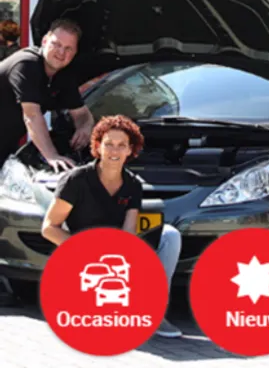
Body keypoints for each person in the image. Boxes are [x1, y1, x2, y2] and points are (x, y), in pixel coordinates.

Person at [41, 114, 183, 339]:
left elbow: (128, 232)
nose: (114, 151)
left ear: (130, 150)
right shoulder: (76, 180)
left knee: (170, 235)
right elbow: (49, 227)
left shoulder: (133, 184)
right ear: (97, 146)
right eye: (108, 144)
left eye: (121, 145)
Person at [0, 18, 94, 171]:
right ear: (44, 41)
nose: (61, 52)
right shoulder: (26, 64)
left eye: (68, 48)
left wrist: (84, 127)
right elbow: (32, 115)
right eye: (57, 44)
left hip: (6, 144)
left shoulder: (64, 75)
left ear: (75, 53)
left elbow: (81, 113)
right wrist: (52, 156)